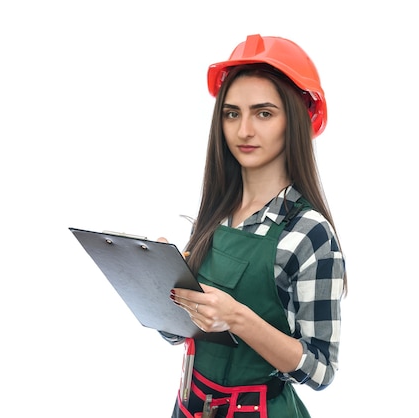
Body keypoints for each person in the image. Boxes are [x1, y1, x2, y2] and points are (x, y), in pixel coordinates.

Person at [163, 34, 347, 417]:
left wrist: (237, 318)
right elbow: (180, 335)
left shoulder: (309, 233)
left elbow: (320, 370)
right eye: (232, 113)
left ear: (294, 121)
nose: (244, 130)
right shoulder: (216, 214)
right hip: (189, 407)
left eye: (263, 113)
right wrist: (164, 288)